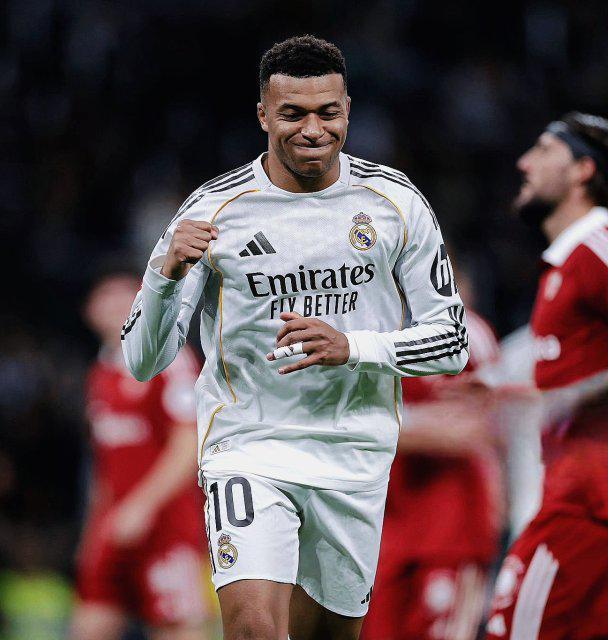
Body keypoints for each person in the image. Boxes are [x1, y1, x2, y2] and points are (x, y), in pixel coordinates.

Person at [122, 35, 468, 640]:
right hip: (249, 446)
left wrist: (353, 347)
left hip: (355, 455)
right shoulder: (213, 210)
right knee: (253, 628)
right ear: (263, 115)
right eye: (293, 114)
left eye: (327, 113)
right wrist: (165, 275)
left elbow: (451, 342)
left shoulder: (394, 202)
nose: (313, 129)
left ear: (347, 110)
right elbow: (142, 361)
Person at [486, 113, 608, 639]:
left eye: (542, 149)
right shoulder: (567, 264)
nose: (523, 162)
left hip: (584, 506)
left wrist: (573, 394)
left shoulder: (597, 245)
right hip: (578, 500)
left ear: (583, 169)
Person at [362, 269, 502, 640]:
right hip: (384, 529)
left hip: (451, 530)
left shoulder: (464, 333)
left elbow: (474, 429)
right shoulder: (367, 335)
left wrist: (381, 426)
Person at [71, 272, 212, 640]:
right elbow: (106, 464)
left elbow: (188, 444)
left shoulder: (170, 357)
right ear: (89, 310)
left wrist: (142, 506)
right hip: (114, 523)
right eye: (105, 295)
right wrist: (93, 529)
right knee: (90, 624)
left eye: (125, 294)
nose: (115, 304)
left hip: (166, 525)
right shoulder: (100, 374)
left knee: (177, 628)